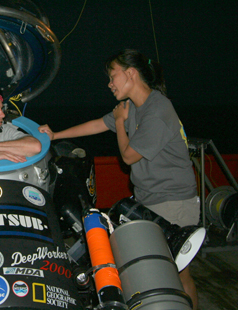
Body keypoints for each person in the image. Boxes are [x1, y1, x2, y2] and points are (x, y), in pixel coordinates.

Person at [38, 49, 200, 310]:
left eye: (113, 76)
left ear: (131, 73)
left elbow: (128, 156)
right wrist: (55, 136)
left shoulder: (157, 109)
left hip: (174, 202)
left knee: (178, 275)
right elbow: (98, 124)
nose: (110, 83)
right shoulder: (133, 106)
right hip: (149, 199)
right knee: (150, 272)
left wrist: (121, 123)